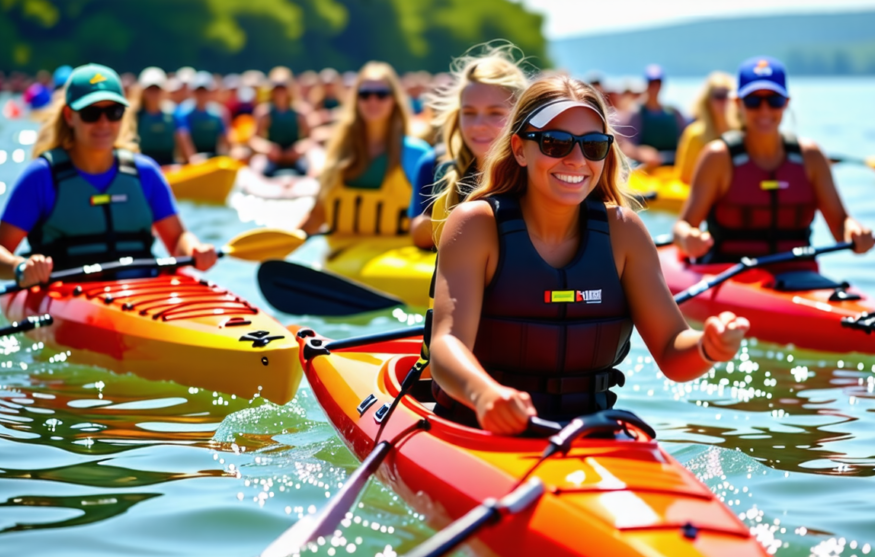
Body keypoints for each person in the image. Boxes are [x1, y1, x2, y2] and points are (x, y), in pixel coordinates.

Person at [428, 76, 749, 435]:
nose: (576, 160)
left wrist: (708, 346)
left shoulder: (624, 233)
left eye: (593, 146)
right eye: (555, 143)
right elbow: (446, 345)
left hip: (590, 433)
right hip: (481, 431)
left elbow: (674, 352)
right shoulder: (476, 225)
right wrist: (485, 394)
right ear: (519, 148)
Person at [0, 64, 216, 289]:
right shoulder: (42, 177)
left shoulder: (146, 173)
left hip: (142, 295)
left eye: (113, 112)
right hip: (66, 296)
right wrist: (20, 267)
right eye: (91, 113)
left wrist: (194, 249)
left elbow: (177, 240)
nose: (103, 123)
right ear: (69, 116)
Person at [673, 56, 875, 275]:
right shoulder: (717, 157)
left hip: (799, 277)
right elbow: (681, 227)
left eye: (774, 100)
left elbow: (840, 226)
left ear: (787, 102)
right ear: (738, 104)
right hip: (730, 277)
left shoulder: (812, 157)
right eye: (753, 101)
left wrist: (854, 231)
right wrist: (687, 238)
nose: (764, 110)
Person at [408, 45, 529, 249]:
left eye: (495, 113)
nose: (478, 124)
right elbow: (417, 236)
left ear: (520, 117)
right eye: (469, 113)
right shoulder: (435, 165)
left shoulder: (539, 177)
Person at [299, 61, 431, 236]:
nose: (372, 100)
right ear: (356, 99)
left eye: (381, 94)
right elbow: (317, 216)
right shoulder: (338, 151)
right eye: (365, 94)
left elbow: (431, 221)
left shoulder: (418, 155)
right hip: (339, 258)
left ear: (394, 100)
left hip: (398, 259)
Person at [674, 72, 738, 185]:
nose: (724, 101)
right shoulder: (695, 134)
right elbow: (685, 177)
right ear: (708, 101)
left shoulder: (741, 132)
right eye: (718, 96)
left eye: (727, 95)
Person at [618, 64, 687, 169]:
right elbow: (623, 144)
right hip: (646, 170)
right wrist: (640, 153)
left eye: (658, 82)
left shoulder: (674, 112)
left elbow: (686, 139)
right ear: (646, 84)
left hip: (673, 169)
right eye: (651, 83)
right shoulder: (636, 113)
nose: (655, 86)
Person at [250, 67, 312, 177]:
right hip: (273, 157)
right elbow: (254, 139)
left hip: (294, 156)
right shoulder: (264, 112)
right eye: (276, 87)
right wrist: (267, 148)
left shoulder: (300, 112)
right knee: (257, 167)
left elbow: (310, 138)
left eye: (283, 87)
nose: (280, 91)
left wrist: (299, 148)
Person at [133, 67, 193, 166]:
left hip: (170, 166)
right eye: (150, 89)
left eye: (157, 89)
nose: (153, 93)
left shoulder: (173, 114)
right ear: (143, 91)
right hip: (143, 167)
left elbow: (184, 143)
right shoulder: (136, 115)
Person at [176, 71, 231, 157]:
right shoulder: (183, 113)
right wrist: (192, 158)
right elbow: (183, 137)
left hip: (213, 157)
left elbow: (224, 137)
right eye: (198, 91)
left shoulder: (218, 113)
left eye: (204, 91)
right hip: (192, 160)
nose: (201, 94)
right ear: (193, 92)